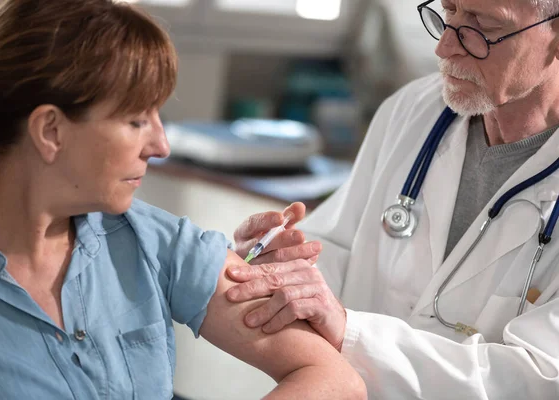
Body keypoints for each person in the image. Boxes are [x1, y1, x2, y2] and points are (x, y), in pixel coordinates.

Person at [0, 1, 367, 399]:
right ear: (50, 131)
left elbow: (335, 380)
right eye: (136, 120)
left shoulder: (155, 241)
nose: (161, 145)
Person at [227, 0, 559, 398]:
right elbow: (337, 251)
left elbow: (538, 378)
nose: (445, 46)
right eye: (448, 12)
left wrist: (352, 332)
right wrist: (279, 261)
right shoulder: (412, 110)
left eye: (482, 27)